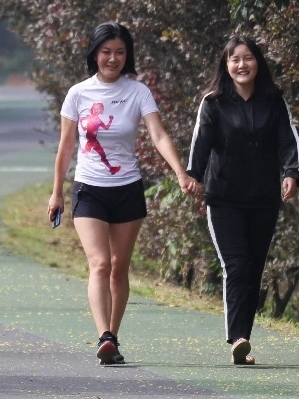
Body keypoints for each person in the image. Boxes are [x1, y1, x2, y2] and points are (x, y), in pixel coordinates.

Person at [47, 22, 201, 365]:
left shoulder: (138, 92)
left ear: (127, 55)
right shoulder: (78, 94)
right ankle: (103, 335)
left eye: (119, 52)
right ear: (94, 54)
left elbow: (158, 135)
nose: (112, 59)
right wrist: (56, 192)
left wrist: (180, 172)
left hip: (127, 188)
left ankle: (112, 338)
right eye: (106, 52)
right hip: (89, 188)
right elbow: (66, 145)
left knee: (119, 268)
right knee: (99, 263)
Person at [185, 34, 299, 366]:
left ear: (258, 62)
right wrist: (193, 176)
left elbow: (287, 142)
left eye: (248, 58)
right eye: (235, 59)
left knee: (253, 269)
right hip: (223, 198)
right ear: (226, 65)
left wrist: (291, 173)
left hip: (264, 199)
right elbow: (201, 143)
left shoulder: (274, 100)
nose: (242, 65)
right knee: (236, 266)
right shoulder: (213, 102)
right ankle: (237, 336)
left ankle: (243, 342)